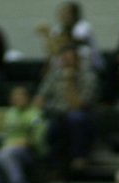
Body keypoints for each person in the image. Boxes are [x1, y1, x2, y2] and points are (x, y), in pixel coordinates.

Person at [33, 44, 97, 175]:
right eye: (64, 59)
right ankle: (51, 165)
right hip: (55, 114)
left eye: (70, 59)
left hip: (79, 115)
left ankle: (79, 157)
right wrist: (41, 104)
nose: (67, 62)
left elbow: (78, 105)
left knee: (75, 118)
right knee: (45, 125)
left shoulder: (88, 77)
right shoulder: (53, 75)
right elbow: (39, 98)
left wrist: (69, 83)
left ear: (77, 60)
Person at [35, 1, 104, 73]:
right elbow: (53, 50)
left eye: (66, 13)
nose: (63, 15)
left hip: (92, 69)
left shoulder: (84, 26)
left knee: (80, 52)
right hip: (64, 69)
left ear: (74, 15)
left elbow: (72, 43)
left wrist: (48, 35)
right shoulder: (58, 28)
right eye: (62, 12)